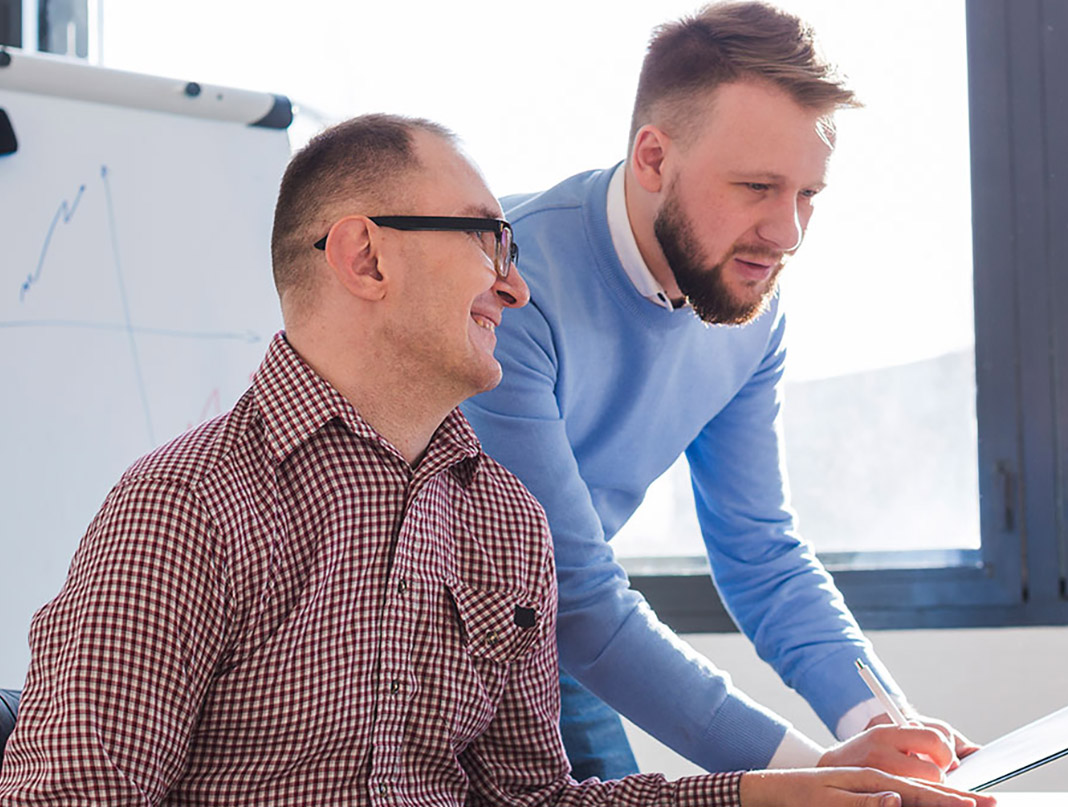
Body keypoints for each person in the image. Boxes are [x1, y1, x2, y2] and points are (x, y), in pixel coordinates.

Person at [0, 114, 991, 807]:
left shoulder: (505, 525)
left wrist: (787, 793)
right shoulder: (183, 510)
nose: (516, 290)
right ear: (365, 258)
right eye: (487, 244)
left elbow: (536, 799)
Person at [461, 1, 977, 783]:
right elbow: (580, 597)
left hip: (556, 636)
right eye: (757, 186)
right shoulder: (508, 285)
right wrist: (812, 775)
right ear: (652, 158)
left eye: (807, 194)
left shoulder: (749, 310)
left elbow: (760, 552)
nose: (788, 232)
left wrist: (888, 728)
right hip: (422, 646)